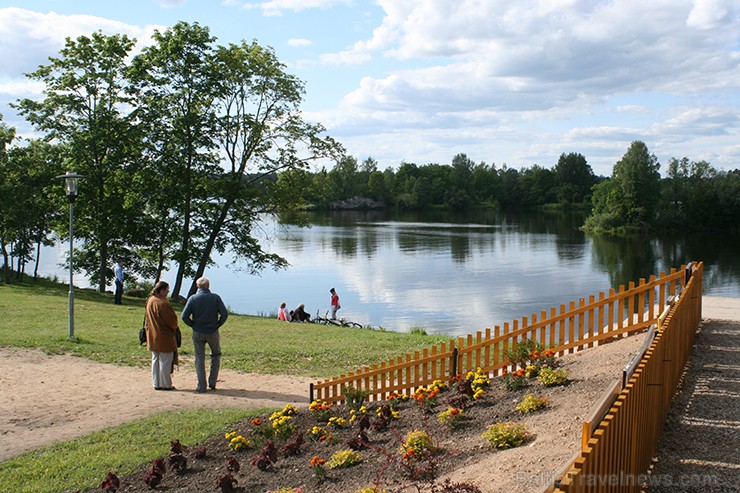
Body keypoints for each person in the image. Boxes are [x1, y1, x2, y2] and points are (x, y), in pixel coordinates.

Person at [181, 277, 229, 393]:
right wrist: (218, 324)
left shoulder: (193, 298)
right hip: (212, 331)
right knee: (216, 354)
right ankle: (212, 382)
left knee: (199, 357)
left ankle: (201, 385)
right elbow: (224, 313)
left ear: (197, 286)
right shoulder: (215, 298)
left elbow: (184, 316)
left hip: (198, 331)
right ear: (208, 286)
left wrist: (192, 325)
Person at [145, 281, 180, 391]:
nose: (168, 291)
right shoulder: (163, 304)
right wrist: (175, 328)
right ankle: (165, 384)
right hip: (164, 336)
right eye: (166, 289)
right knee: (165, 360)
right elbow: (172, 321)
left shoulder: (150, 301)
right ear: (161, 290)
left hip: (152, 335)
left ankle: (156, 383)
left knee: (155, 359)